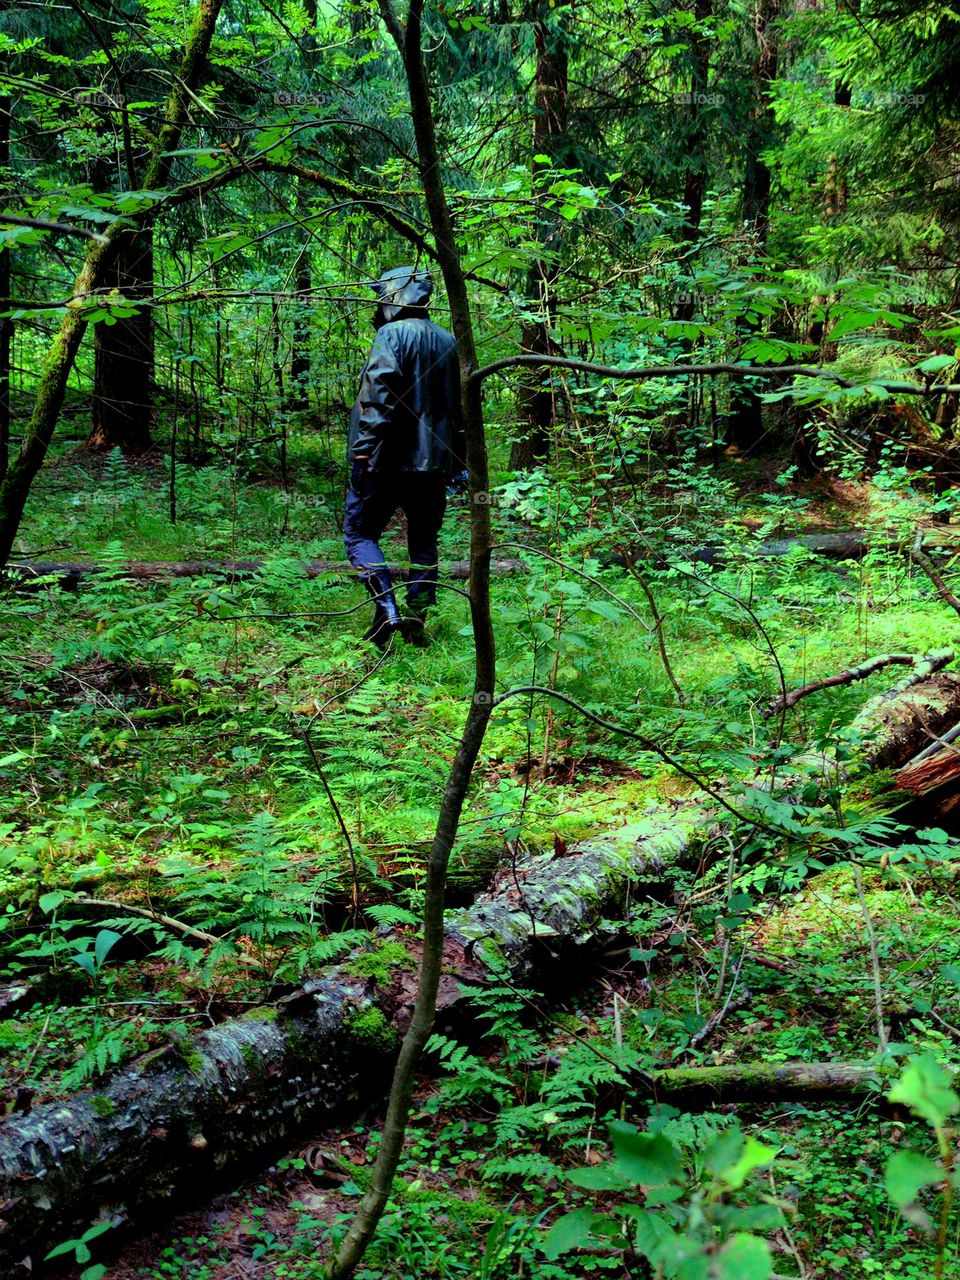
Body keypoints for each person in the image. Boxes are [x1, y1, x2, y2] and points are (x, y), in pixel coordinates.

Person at [343, 265, 467, 648]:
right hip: (433, 465)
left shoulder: (391, 334)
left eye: (381, 295)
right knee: (424, 540)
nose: (377, 304)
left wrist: (363, 453)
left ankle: (389, 611)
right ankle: (415, 619)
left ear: (394, 295)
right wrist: (457, 464)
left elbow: (378, 398)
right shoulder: (447, 340)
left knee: (359, 532)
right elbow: (457, 410)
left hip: (385, 461)